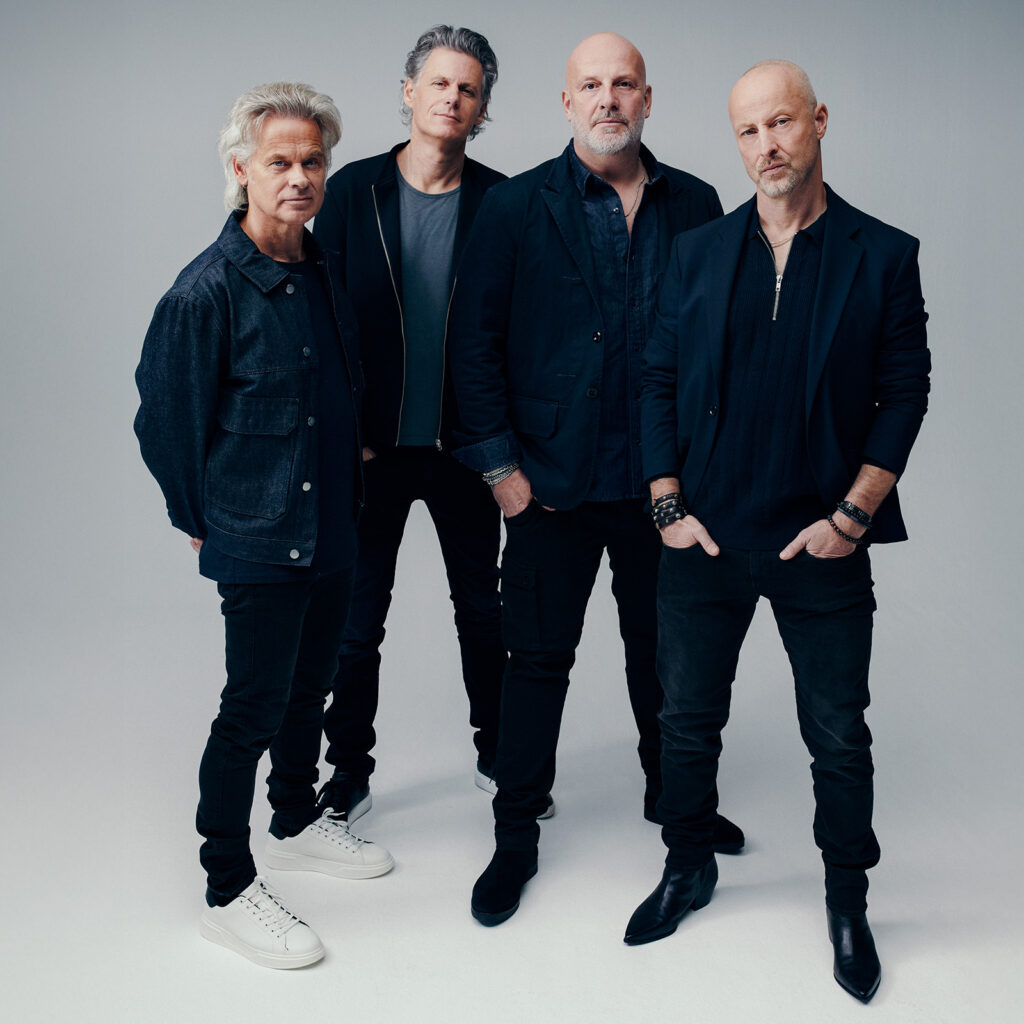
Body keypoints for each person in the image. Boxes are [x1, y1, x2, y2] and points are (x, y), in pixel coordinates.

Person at [626, 61, 930, 1004]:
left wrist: (853, 516)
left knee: (838, 735)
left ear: (819, 121)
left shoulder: (883, 254)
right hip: (707, 542)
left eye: (782, 123)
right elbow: (656, 379)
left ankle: (847, 902)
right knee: (685, 724)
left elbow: (905, 393)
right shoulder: (697, 252)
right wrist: (667, 507)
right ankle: (687, 866)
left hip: (820, 545)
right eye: (749, 131)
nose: (767, 145)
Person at [449, 32, 744, 928]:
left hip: (663, 489)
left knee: (667, 663)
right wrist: (502, 472)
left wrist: (701, 474)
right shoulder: (513, 207)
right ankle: (514, 834)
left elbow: (717, 346)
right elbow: (472, 347)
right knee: (537, 663)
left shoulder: (697, 203)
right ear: (567, 102)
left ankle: (672, 800)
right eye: (591, 84)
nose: (608, 98)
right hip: (549, 487)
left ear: (648, 99)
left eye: (624, 84)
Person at [134, 82, 394, 970]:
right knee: (250, 709)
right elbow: (163, 425)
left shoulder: (321, 267)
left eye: (312, 161)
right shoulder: (205, 293)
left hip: (332, 526)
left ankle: (292, 820)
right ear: (241, 168)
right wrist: (202, 520)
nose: (299, 177)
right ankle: (226, 885)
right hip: (257, 534)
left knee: (311, 686)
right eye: (279, 161)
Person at [312, 26, 515, 820]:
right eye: (439, 83)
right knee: (356, 624)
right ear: (409, 92)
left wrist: (502, 444)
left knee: (483, 612)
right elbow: (322, 323)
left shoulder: (505, 201)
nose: (451, 99)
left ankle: (499, 753)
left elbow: (521, 330)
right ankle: (348, 773)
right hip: (374, 453)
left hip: (466, 449)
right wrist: (343, 434)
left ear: (482, 109)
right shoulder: (351, 192)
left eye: (468, 89)